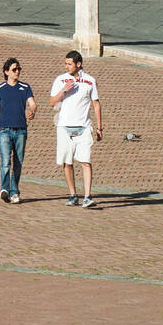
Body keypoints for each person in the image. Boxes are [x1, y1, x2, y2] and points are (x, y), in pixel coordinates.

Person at [49, 49, 102, 208]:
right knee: (67, 161)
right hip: (64, 126)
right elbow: (52, 102)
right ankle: (73, 194)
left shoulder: (90, 81)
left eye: (69, 64)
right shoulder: (60, 80)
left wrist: (99, 127)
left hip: (84, 127)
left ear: (78, 64)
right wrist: (65, 90)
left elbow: (96, 104)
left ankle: (87, 196)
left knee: (86, 160)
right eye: (65, 63)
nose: (67, 66)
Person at [0, 57, 37, 205]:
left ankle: (14, 192)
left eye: (19, 69)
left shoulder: (25, 87)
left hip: (21, 131)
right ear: (6, 72)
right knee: (6, 161)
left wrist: (32, 111)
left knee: (18, 162)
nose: (17, 71)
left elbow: (32, 103)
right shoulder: (0, 89)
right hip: (4, 130)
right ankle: (4, 188)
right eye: (14, 69)